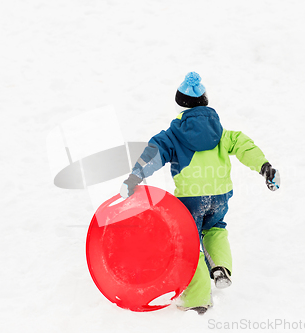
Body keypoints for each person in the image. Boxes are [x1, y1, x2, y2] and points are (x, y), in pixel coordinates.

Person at [120, 72, 280, 315]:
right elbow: (245, 145)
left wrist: (135, 176)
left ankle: (197, 298)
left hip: (190, 198)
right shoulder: (222, 132)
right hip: (220, 195)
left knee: (189, 241)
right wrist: (263, 167)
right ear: (204, 103)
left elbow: (155, 152)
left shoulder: (173, 135)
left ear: (181, 105)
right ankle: (221, 268)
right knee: (215, 228)